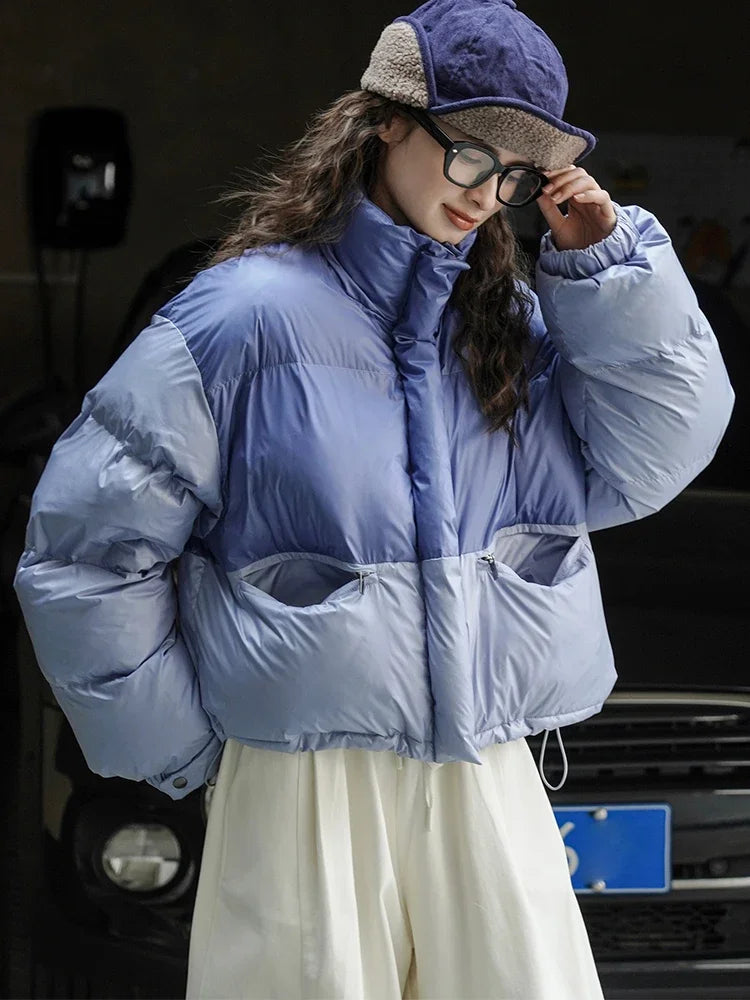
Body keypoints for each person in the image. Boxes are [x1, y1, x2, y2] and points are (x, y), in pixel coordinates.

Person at [13, 1, 735, 997]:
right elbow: (84, 554)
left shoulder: (507, 318)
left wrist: (606, 265)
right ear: (387, 120)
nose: (487, 194)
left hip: (488, 770)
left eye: (515, 176)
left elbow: (649, 458)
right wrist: (188, 750)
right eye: (472, 154)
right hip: (305, 783)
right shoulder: (241, 320)